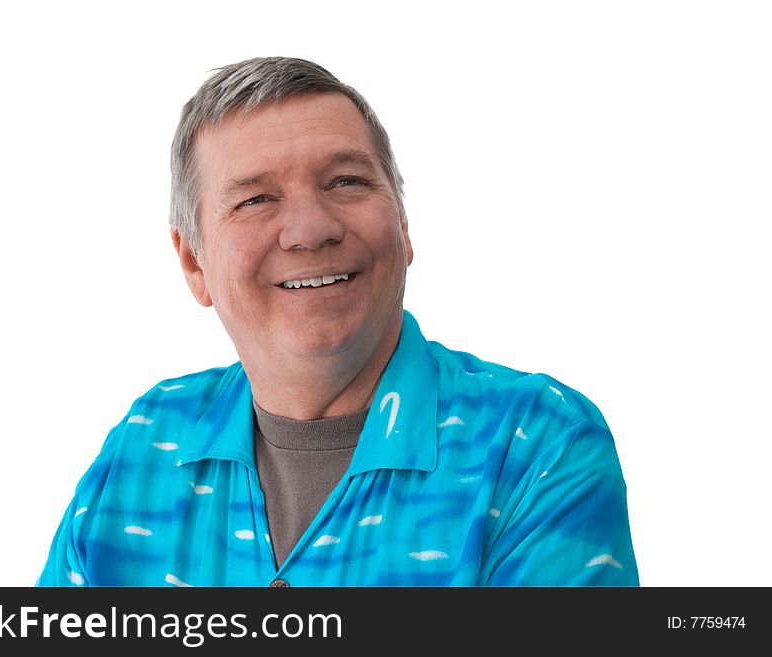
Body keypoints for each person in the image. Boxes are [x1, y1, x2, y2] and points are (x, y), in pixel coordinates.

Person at [37, 56, 638, 587]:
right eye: (256, 199)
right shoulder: (142, 446)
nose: (311, 229)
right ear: (195, 263)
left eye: (346, 182)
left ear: (403, 228)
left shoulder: (536, 443)